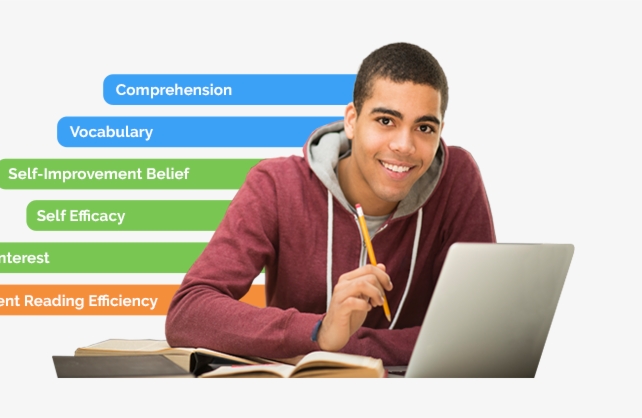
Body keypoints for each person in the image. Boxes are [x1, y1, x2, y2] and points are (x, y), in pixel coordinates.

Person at [165, 43, 496, 366]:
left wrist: (343, 345)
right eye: (385, 121)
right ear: (352, 120)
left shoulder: (457, 179)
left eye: (424, 127)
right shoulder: (276, 185)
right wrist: (319, 331)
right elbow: (189, 313)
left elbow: (476, 336)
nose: (404, 145)